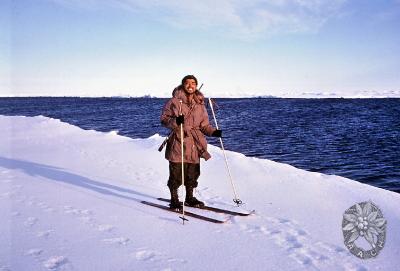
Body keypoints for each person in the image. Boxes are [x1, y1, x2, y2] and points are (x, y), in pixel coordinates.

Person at [160, 75, 222, 209]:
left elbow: (204, 125)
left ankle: (189, 198)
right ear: (183, 85)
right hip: (178, 141)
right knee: (176, 173)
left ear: (196, 85)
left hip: (195, 144)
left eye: (193, 83)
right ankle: (174, 199)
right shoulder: (174, 102)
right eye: (187, 83)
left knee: (192, 174)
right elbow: (164, 119)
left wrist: (213, 132)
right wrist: (175, 121)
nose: (190, 85)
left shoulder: (200, 104)